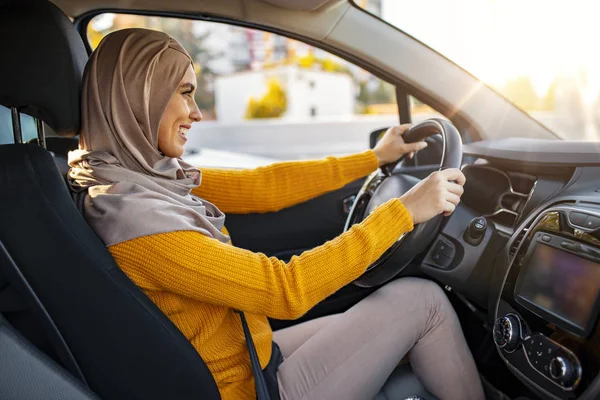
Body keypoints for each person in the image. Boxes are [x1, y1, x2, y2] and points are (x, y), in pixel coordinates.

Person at [68, 28, 484, 400]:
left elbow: (264, 186)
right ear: (141, 96)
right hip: (251, 389)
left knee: (397, 319)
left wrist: (374, 157)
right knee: (424, 302)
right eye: (184, 92)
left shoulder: (141, 178)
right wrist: (402, 212)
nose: (195, 112)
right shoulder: (138, 222)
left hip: (253, 355)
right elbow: (285, 290)